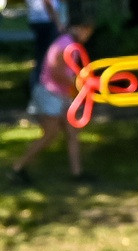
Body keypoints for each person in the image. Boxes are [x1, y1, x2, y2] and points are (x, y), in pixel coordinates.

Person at [10, 14, 96, 184]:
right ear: (81, 28)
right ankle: (17, 168)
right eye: (88, 32)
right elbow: (57, 73)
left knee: (72, 132)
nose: (88, 36)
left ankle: (77, 173)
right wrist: (81, 84)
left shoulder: (68, 42)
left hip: (61, 93)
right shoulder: (67, 45)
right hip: (50, 93)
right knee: (50, 134)